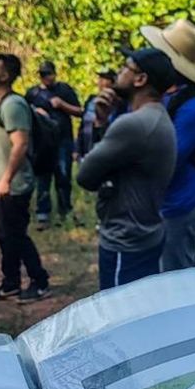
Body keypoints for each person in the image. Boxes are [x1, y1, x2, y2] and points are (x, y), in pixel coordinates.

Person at [76, 47, 179, 289]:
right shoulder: (156, 117)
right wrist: (102, 123)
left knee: (117, 317)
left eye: (125, 68)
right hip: (144, 234)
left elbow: (85, 176)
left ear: (140, 79)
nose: (119, 73)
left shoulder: (133, 124)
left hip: (125, 241)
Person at [142, 19, 195, 272]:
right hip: (163, 202)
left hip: (182, 203)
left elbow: (170, 157)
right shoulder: (165, 97)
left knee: (175, 276)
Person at [0, 52, 51, 303]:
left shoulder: (13, 105)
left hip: (14, 186)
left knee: (16, 236)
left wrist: (6, 179)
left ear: (6, 75)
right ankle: (10, 283)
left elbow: (20, 144)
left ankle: (39, 281)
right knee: (3, 235)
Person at [26, 61, 83, 229]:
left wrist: (62, 105)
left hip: (63, 140)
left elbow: (80, 111)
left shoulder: (64, 90)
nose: (47, 78)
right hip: (42, 143)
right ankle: (43, 214)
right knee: (43, 177)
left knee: (63, 176)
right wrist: (36, 112)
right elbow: (24, 113)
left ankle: (65, 211)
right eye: (44, 75)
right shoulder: (33, 93)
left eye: (49, 74)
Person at [79, 69, 117, 160]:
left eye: (104, 79)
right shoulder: (91, 99)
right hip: (88, 144)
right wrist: (77, 148)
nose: (100, 82)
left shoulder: (117, 102)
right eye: (100, 78)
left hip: (106, 144)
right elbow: (82, 124)